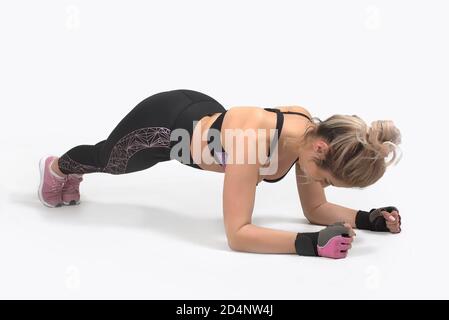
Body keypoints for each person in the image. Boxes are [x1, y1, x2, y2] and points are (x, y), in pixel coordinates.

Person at [37, 89, 402, 259]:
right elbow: (238, 235)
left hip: (203, 113)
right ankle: (57, 167)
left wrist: (367, 219)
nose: (317, 185)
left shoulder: (309, 135)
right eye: (325, 179)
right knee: (109, 160)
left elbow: (315, 211)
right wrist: (309, 245)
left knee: (110, 160)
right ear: (321, 150)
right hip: (166, 130)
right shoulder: (251, 142)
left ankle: (65, 175)